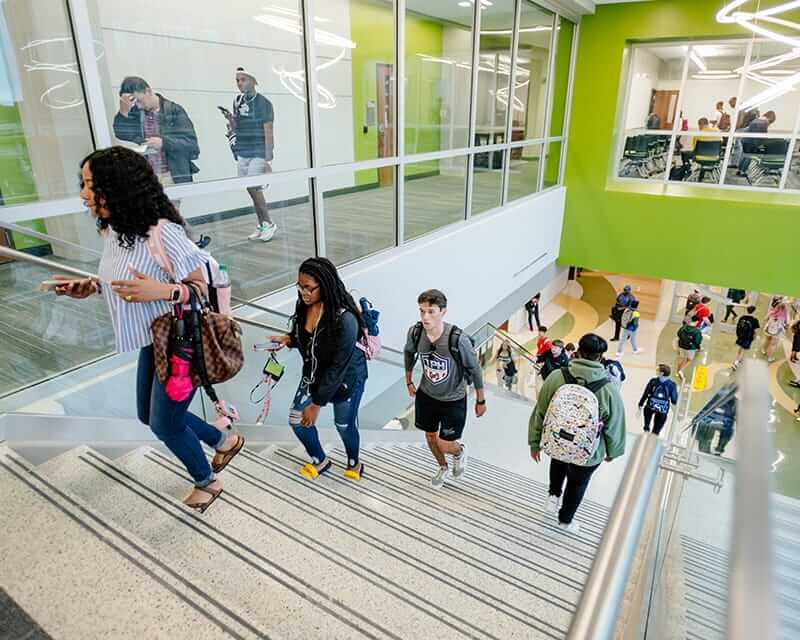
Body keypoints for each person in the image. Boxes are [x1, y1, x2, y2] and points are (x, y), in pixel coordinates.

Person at [55, 147, 242, 513]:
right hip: (153, 340)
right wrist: (92, 286)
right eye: (84, 184)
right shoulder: (114, 231)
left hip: (182, 344)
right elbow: (122, 278)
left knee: (165, 425)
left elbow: (204, 283)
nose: (83, 193)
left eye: (90, 185)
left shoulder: (164, 233)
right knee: (149, 415)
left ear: (117, 187)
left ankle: (208, 480)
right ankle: (223, 440)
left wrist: (165, 291)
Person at [269, 258, 368, 480]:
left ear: (325, 284)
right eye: (299, 286)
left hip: (346, 379)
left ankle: (354, 462)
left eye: (308, 288)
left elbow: (338, 366)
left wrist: (316, 403)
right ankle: (320, 460)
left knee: (343, 425)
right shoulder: (304, 306)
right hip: (313, 375)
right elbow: (307, 338)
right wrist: (289, 339)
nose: (303, 292)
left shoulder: (346, 319)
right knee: (296, 419)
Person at [529, 333, 626, 534]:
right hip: (588, 452)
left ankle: (553, 496)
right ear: (600, 358)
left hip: (557, 441)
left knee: (559, 460)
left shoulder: (557, 376)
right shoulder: (608, 389)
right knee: (578, 482)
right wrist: (613, 452)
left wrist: (534, 441)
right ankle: (565, 520)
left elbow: (541, 411)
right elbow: (615, 425)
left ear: (578, 352)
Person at [404, 289, 486, 488]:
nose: (425, 316)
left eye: (431, 311)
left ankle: (458, 452)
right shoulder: (416, 333)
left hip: (453, 399)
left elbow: (474, 369)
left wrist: (480, 399)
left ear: (443, 312)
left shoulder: (458, 339)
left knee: (444, 443)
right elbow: (408, 352)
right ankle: (443, 467)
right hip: (427, 395)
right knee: (430, 437)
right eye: (422, 311)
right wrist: (408, 380)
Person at [223, 67, 278, 243]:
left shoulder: (264, 103)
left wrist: (267, 157)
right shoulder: (237, 101)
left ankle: (268, 223)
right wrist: (230, 119)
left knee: (254, 188)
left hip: (258, 151)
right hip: (243, 151)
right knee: (250, 188)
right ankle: (262, 223)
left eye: (243, 79)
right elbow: (238, 126)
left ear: (253, 80)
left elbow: (268, 130)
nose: (239, 83)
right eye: (237, 80)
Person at [113, 76, 199, 185]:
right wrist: (123, 111)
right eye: (134, 103)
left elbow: (191, 145)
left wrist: (163, 143)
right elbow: (120, 133)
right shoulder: (136, 112)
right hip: (146, 177)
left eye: (139, 101)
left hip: (172, 175)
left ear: (148, 91)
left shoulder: (173, 110)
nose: (138, 106)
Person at [638, 364, 678, 436]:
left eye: (658, 370)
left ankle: (646, 430)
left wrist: (641, 403)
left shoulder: (653, 381)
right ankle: (653, 438)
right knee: (656, 430)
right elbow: (674, 400)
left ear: (662, 373)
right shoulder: (672, 385)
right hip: (662, 410)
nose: (656, 371)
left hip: (650, 407)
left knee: (647, 423)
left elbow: (646, 393)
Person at [732, 305, 760, 371]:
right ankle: (735, 363)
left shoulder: (742, 317)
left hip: (740, 336)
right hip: (748, 338)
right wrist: (754, 337)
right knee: (743, 350)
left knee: (741, 348)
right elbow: (755, 331)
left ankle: (739, 359)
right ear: (754, 311)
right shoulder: (754, 320)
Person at [762, 296, 789, 363]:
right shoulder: (786, 313)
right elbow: (787, 323)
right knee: (773, 344)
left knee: (767, 339)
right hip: (778, 331)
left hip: (769, 328)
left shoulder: (772, 310)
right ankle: (770, 357)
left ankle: (763, 350)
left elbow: (765, 319)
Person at [789, 321, 800, 388]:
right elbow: (793, 326)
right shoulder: (798, 322)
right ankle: (792, 357)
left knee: (796, 348)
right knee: (795, 348)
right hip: (798, 336)